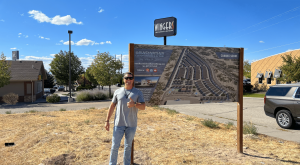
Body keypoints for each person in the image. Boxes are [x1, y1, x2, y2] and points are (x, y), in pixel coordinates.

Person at [105, 72, 145, 165]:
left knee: (128, 147)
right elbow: (112, 106)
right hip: (118, 124)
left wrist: (134, 104)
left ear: (133, 80)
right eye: (126, 78)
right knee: (114, 146)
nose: (128, 80)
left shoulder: (138, 92)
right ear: (123, 80)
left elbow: (143, 107)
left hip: (131, 125)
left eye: (130, 78)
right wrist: (107, 121)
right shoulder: (117, 92)